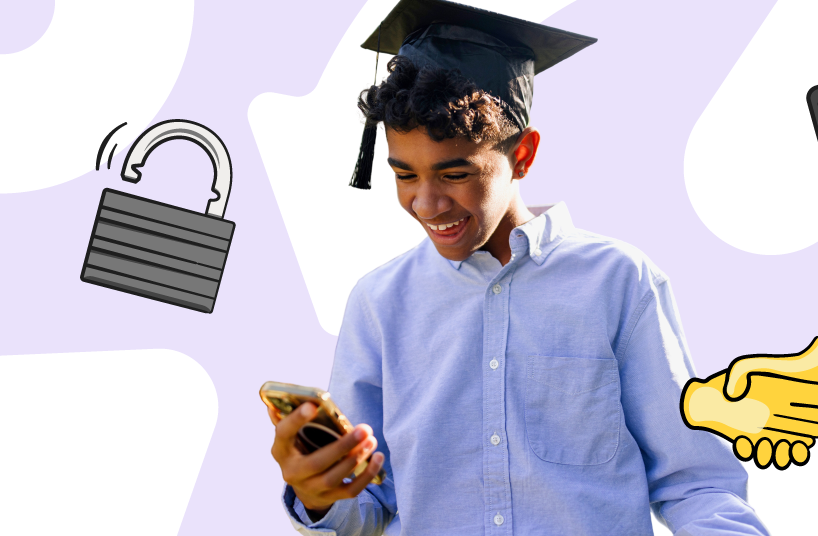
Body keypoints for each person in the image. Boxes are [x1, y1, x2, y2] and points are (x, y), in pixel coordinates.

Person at [269, 0, 770, 534]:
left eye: (455, 174)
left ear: (524, 156)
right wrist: (320, 494)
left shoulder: (619, 282)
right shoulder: (378, 304)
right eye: (404, 175)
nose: (426, 203)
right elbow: (367, 507)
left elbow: (695, 481)